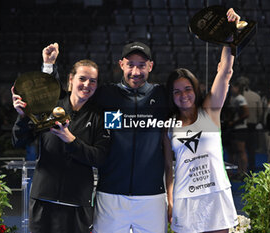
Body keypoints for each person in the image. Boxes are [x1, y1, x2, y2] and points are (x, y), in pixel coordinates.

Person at [41, 41, 169, 232]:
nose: (136, 71)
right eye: (130, 64)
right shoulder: (106, 95)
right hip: (110, 195)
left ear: (150, 66)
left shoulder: (162, 96)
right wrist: (49, 67)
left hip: (152, 196)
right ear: (121, 65)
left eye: (141, 65)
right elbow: (64, 98)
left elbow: (195, 104)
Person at [12, 59, 110, 233]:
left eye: (93, 81)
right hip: (43, 199)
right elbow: (19, 141)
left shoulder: (99, 116)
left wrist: (70, 139)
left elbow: (100, 158)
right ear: (71, 79)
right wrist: (22, 117)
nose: (87, 84)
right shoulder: (51, 106)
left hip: (77, 204)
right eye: (82, 78)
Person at [163, 8, 239, 233]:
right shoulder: (168, 126)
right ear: (171, 95)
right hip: (185, 200)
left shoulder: (210, 112)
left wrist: (229, 35)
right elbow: (168, 167)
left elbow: (225, 72)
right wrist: (169, 199)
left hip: (216, 195)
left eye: (187, 89)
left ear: (195, 90)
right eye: (177, 91)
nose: (183, 95)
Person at [238, 76, 263, 171]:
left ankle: (241, 169)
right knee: (251, 149)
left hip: (240, 126)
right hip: (253, 125)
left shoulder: (238, 97)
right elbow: (260, 112)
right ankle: (251, 168)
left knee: (240, 150)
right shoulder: (256, 96)